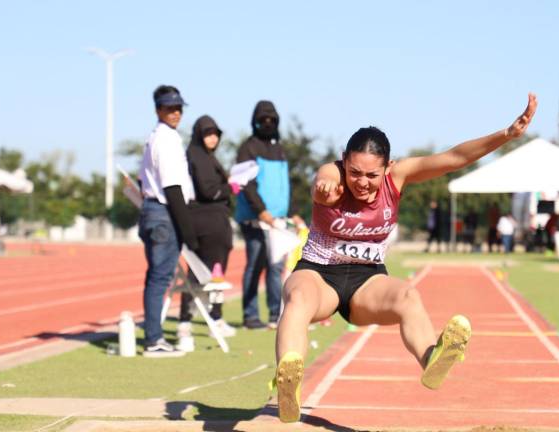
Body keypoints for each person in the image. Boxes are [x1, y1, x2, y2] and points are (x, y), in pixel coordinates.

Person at [272, 94, 537, 423]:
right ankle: (288, 382)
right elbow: (323, 181)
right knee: (298, 299)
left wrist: (506, 135)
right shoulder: (334, 174)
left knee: (408, 296)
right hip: (318, 273)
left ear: (388, 168)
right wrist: (324, 188)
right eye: (355, 172)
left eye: (372, 175)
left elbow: (453, 157)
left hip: (366, 280)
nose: (363, 183)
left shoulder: (397, 178)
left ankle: (432, 359)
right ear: (344, 162)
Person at [137, 85, 197, 358]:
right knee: (160, 277)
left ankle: (153, 336)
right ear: (157, 109)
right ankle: (153, 340)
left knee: (156, 277)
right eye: (169, 108)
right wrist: (188, 229)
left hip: (152, 209)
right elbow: (173, 187)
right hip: (163, 211)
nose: (175, 113)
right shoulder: (167, 139)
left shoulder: (153, 138)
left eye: (178, 108)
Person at [235, 100, 303, 330]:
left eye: (271, 120)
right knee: (255, 263)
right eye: (263, 120)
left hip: (279, 220)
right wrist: (261, 210)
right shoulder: (248, 148)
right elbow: (246, 184)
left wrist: (293, 212)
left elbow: (285, 186)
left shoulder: (279, 149)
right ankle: (250, 315)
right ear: (255, 121)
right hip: (255, 218)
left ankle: (276, 313)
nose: (267, 123)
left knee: (276, 266)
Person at [177, 115, 237, 348]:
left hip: (208, 221)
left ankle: (195, 319)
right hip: (208, 222)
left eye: (215, 134)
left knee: (203, 273)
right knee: (206, 273)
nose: (212, 138)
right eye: (207, 134)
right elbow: (207, 190)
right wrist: (230, 187)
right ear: (199, 135)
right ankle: (203, 319)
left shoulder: (204, 156)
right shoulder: (198, 156)